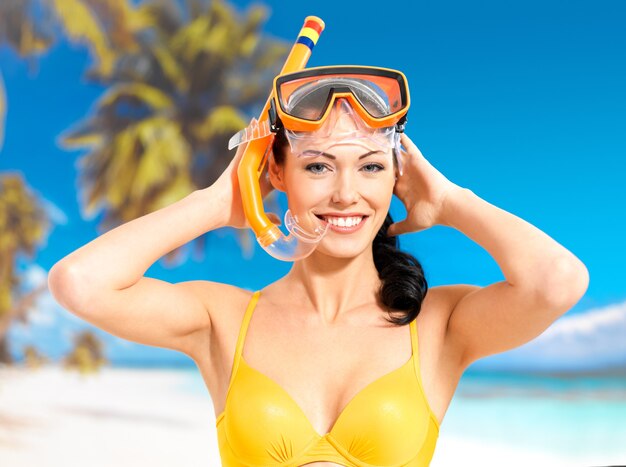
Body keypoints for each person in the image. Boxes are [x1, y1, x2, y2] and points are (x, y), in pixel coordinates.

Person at [48, 65, 589, 467]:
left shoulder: (439, 325)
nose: (346, 193)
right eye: (318, 165)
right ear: (276, 174)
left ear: (396, 178)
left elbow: (557, 281)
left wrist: (449, 202)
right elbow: (81, 282)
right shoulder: (223, 318)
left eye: (371, 166)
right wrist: (215, 203)